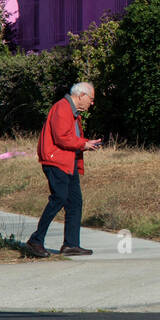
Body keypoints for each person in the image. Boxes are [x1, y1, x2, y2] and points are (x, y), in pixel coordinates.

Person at [25, 82, 103, 258]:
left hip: (69, 162)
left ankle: (71, 244)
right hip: (57, 161)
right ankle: (35, 240)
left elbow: (69, 138)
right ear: (81, 95)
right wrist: (84, 143)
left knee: (75, 202)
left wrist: (85, 145)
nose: (92, 103)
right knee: (59, 198)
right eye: (91, 99)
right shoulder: (62, 108)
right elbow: (62, 138)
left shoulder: (73, 113)